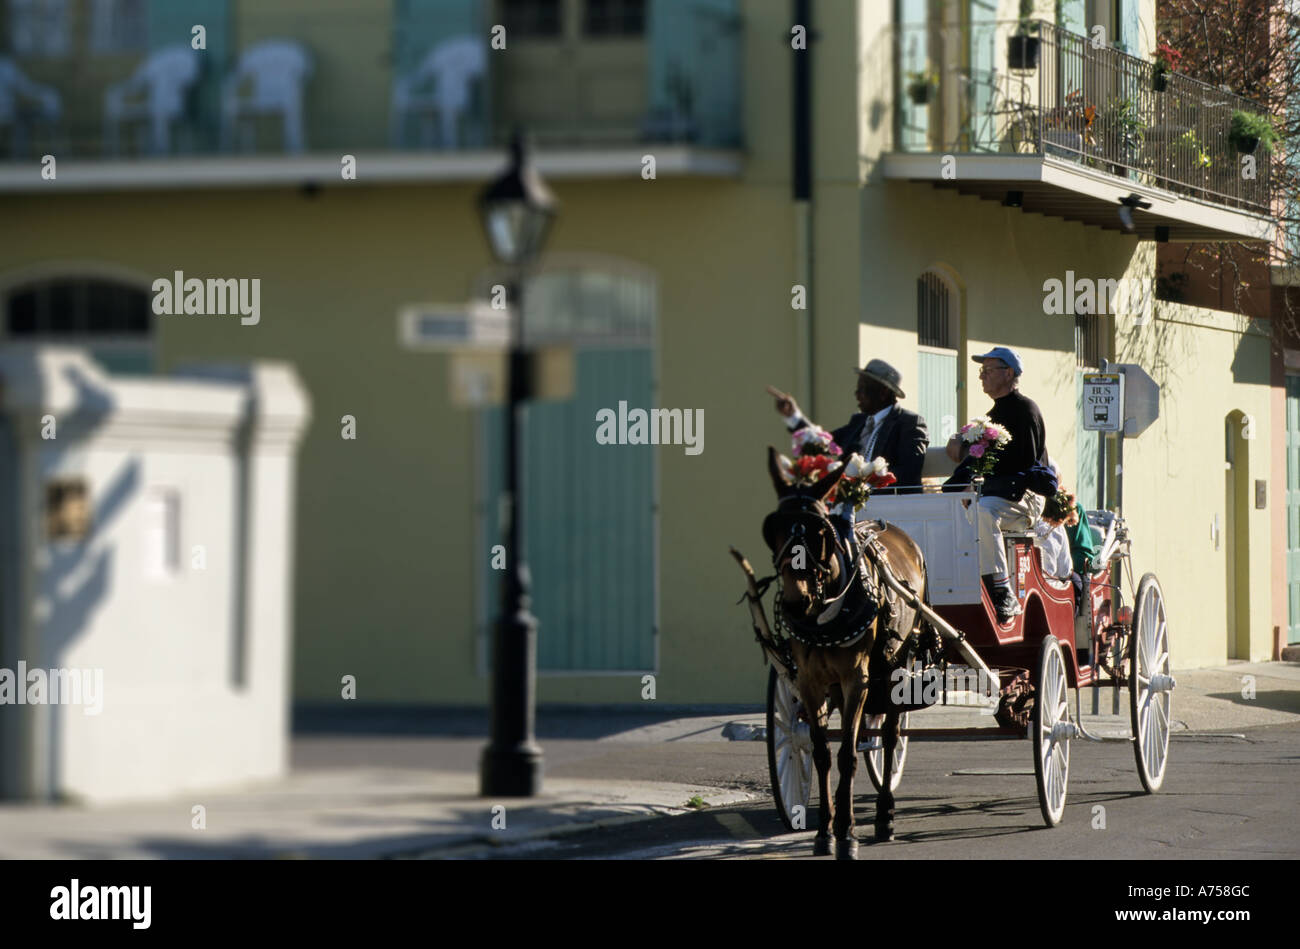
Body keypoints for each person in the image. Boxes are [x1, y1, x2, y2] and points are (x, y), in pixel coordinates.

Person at [944, 346, 1050, 622]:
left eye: (988, 370)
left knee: (983, 511)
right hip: (999, 494)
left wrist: (976, 461)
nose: (982, 377)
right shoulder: (993, 416)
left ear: (1009, 373)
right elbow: (974, 454)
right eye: (982, 371)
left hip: (1025, 496)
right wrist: (961, 441)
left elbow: (1022, 465)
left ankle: (1002, 591)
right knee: (949, 511)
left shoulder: (1025, 411)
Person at [770, 359, 929, 490]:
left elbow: (908, 473)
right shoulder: (858, 422)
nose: (856, 395)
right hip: (849, 504)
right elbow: (823, 441)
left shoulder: (910, 423)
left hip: (890, 510)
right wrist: (793, 415)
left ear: (883, 393)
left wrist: (864, 485)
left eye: (862, 390)